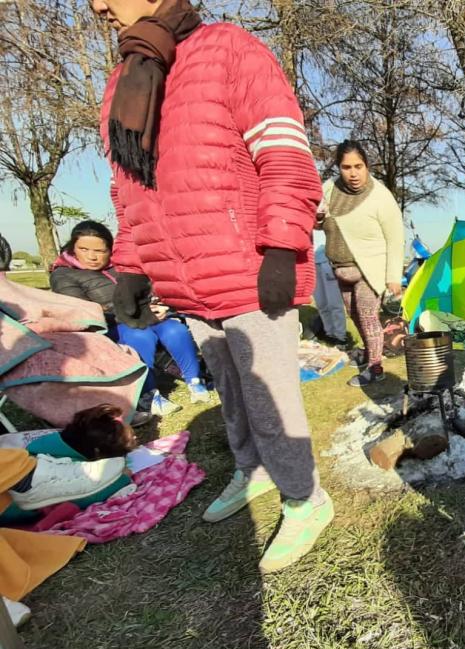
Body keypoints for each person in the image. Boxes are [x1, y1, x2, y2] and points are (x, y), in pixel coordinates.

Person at [90, 0, 331, 573]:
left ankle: (306, 498)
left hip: (248, 267)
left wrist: (281, 247)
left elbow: (284, 152)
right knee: (230, 388)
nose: (97, 5)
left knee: (270, 398)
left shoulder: (229, 49)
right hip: (185, 278)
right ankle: (253, 470)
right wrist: (131, 265)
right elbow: (129, 190)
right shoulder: (124, 81)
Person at [50, 221, 209, 416]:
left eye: (100, 251)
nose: (92, 256)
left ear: (110, 249)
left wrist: (159, 304)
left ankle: (195, 380)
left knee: (175, 329)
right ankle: (147, 393)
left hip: (143, 317)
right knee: (139, 336)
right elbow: (83, 312)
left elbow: (147, 289)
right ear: (72, 247)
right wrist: (139, 312)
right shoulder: (63, 275)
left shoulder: (122, 265)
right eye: (84, 249)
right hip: (108, 326)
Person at [320, 141, 405, 386]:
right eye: (346, 167)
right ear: (339, 168)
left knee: (368, 316)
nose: (353, 173)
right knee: (355, 315)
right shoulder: (328, 189)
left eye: (358, 166)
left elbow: (395, 237)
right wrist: (317, 220)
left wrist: (393, 276)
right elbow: (319, 219)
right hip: (340, 267)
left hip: (370, 269)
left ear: (367, 166)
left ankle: (376, 368)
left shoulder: (380, 196)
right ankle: (369, 352)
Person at [0, 404, 139, 524]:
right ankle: (28, 483)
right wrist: (122, 478)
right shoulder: (63, 459)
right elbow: (82, 497)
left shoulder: (55, 441)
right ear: (98, 453)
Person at [310, 202, 350, 348]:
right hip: (312, 263)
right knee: (321, 303)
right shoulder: (306, 217)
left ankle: (340, 336)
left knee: (334, 303)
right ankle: (329, 333)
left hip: (328, 262)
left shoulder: (330, 217)